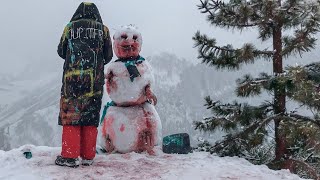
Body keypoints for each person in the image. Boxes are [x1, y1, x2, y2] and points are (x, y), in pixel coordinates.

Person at [55, 2, 113, 167]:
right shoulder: (103, 30)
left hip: (71, 81)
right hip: (94, 82)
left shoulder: (69, 27)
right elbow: (108, 55)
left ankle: (70, 156)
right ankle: (88, 156)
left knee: (71, 116)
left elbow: (61, 50)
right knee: (90, 117)